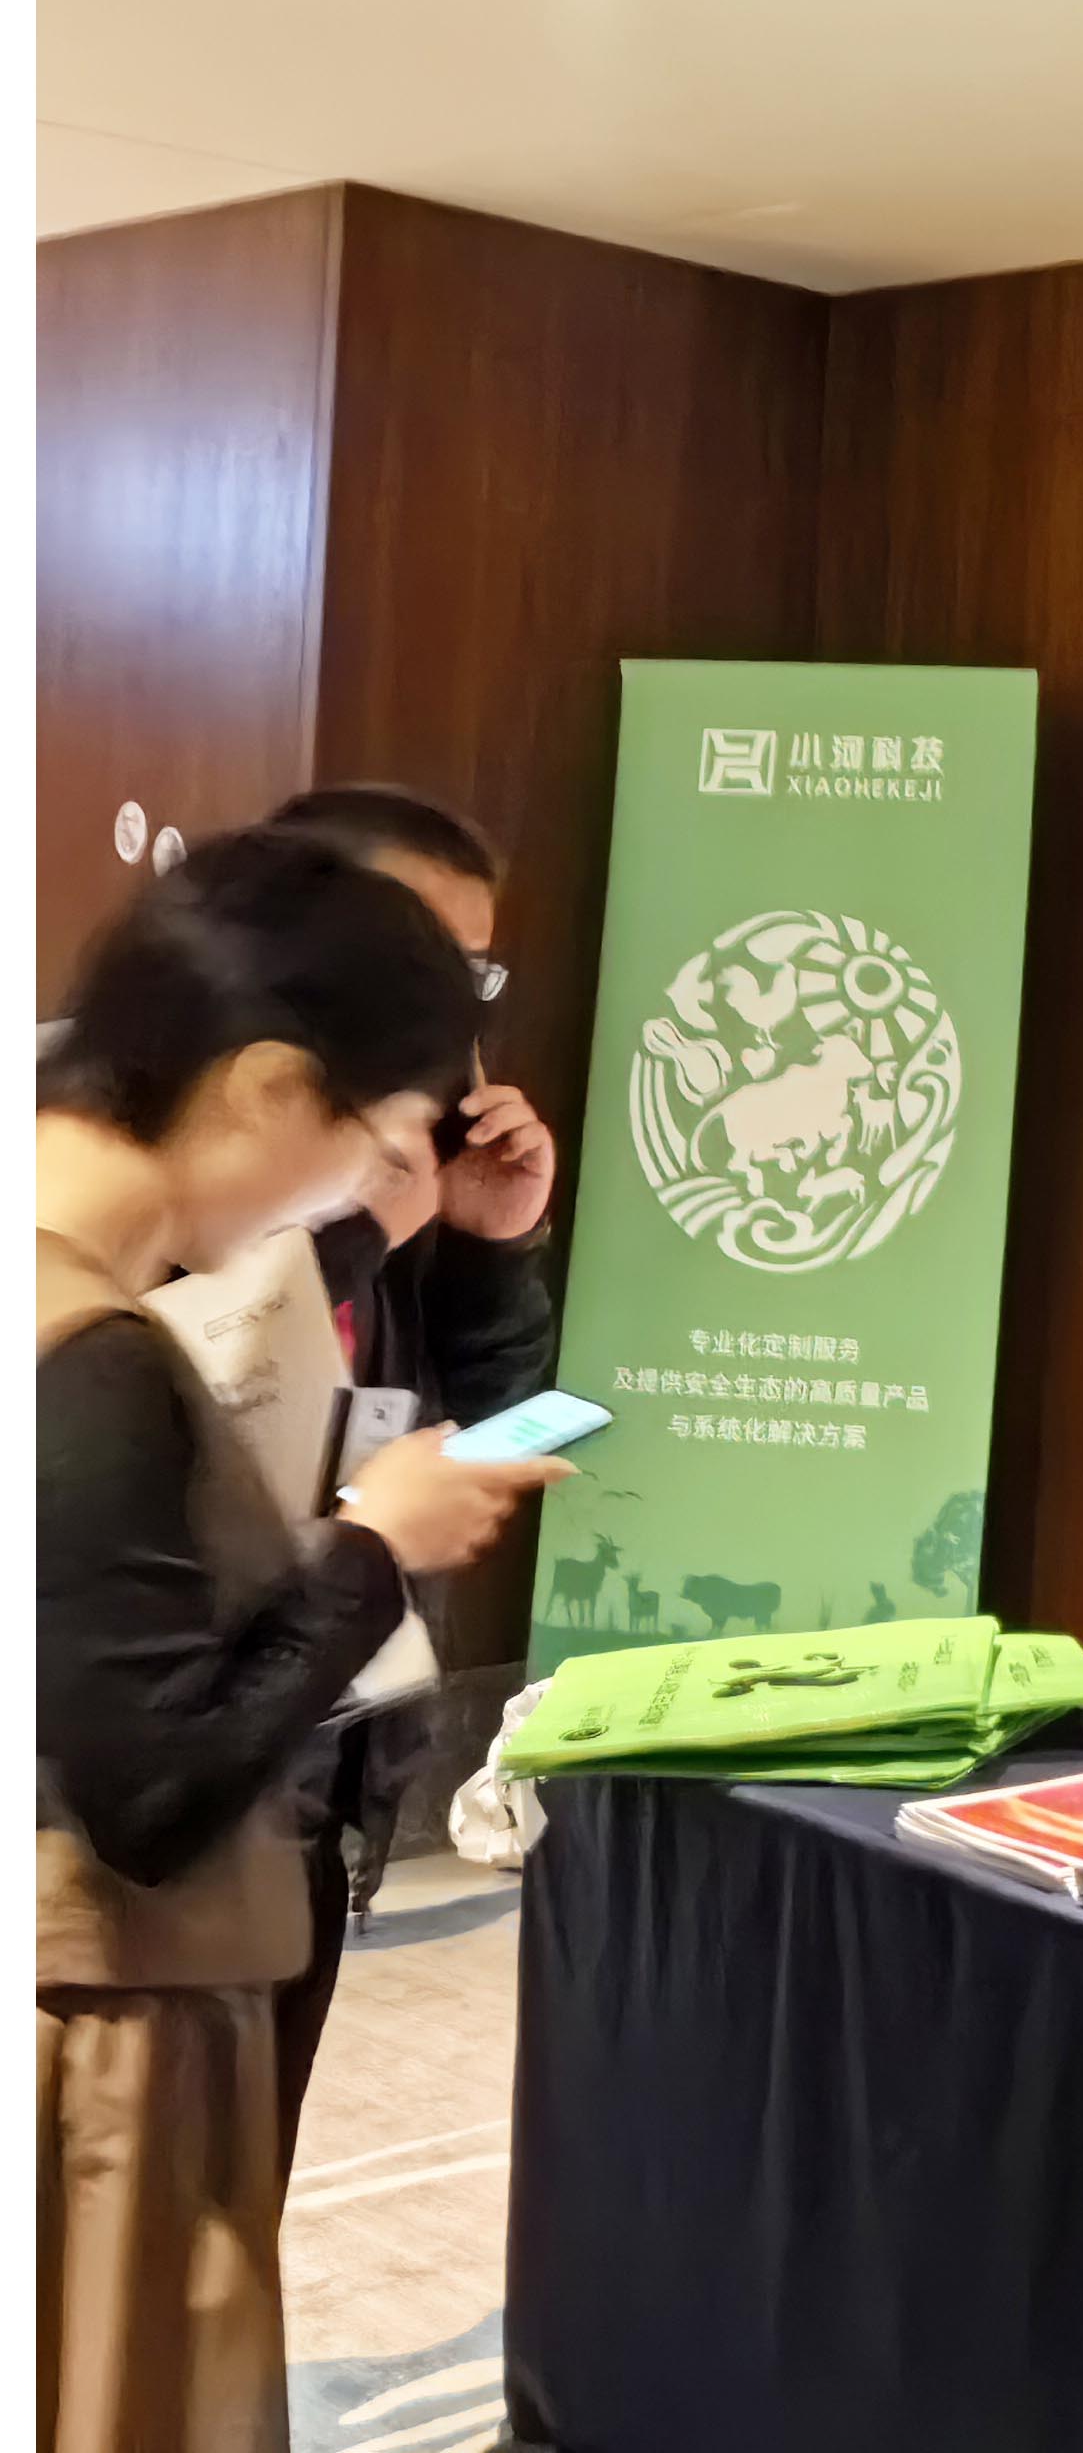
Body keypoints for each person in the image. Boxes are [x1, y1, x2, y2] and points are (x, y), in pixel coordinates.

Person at [38, 830, 569, 2453]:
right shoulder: (92, 1350)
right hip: (96, 2027)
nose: (368, 1180)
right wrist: (373, 1545)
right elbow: (154, 1786)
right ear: (271, 1085)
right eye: (365, 1133)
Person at [262, 784, 560, 2149]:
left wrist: (494, 1248)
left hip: (329, 1773)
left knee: (231, 2210)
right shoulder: (140, 1167)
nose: (452, 1013)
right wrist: (352, 1241)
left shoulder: (397, 1171)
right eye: (419, 959)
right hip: (158, 1811)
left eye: (473, 972)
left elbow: (489, 1450)